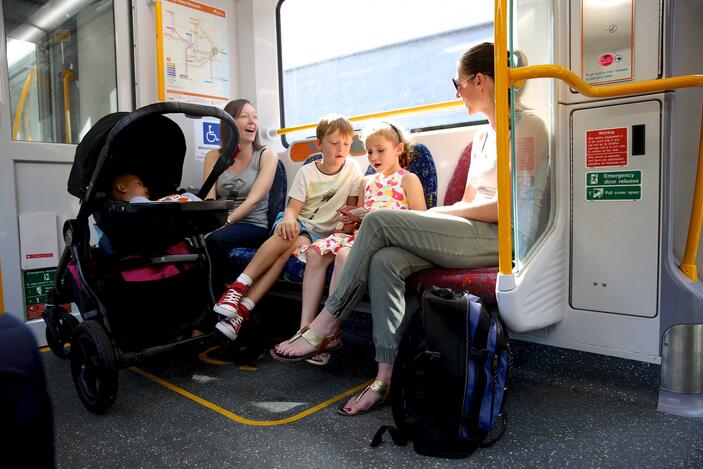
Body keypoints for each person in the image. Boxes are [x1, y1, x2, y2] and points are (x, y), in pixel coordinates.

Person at [272, 42, 500, 416]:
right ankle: (383, 379)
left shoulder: (524, 127)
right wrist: (450, 212)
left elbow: (505, 210)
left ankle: (325, 324)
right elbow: (472, 200)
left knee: (377, 219)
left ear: (477, 81)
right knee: (384, 261)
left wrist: (441, 212)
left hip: (493, 237)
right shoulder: (480, 138)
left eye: (456, 83)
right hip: (464, 228)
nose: (456, 92)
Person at [214, 114, 364, 342]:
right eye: (334, 143)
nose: (341, 148)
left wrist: (345, 228)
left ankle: (240, 303)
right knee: (288, 234)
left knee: (284, 253)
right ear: (320, 143)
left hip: (320, 235)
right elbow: (294, 209)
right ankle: (239, 295)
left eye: (346, 143)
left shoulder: (353, 170)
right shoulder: (307, 172)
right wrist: (288, 220)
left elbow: (350, 211)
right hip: (299, 223)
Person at [294, 121, 427, 365]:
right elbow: (356, 223)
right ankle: (305, 328)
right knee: (315, 252)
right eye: (369, 152)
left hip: (390, 239)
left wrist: (376, 218)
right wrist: (351, 218)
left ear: (398, 149)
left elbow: (421, 219)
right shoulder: (366, 183)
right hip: (360, 236)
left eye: (380, 150)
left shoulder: (408, 179)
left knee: (345, 254)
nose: (373, 157)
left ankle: (329, 329)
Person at [203, 99, 279, 286]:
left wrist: (225, 223)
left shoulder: (267, 155)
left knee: (215, 241)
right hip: (221, 221)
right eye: (244, 116)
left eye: (255, 117)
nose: (252, 121)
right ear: (229, 122)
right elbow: (209, 196)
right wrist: (207, 224)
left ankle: (216, 298)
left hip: (253, 224)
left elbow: (253, 200)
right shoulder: (214, 156)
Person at [110, 172, 200, 203]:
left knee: (187, 194)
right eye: (139, 184)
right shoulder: (136, 201)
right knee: (137, 200)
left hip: (163, 208)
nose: (146, 188)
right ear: (122, 188)